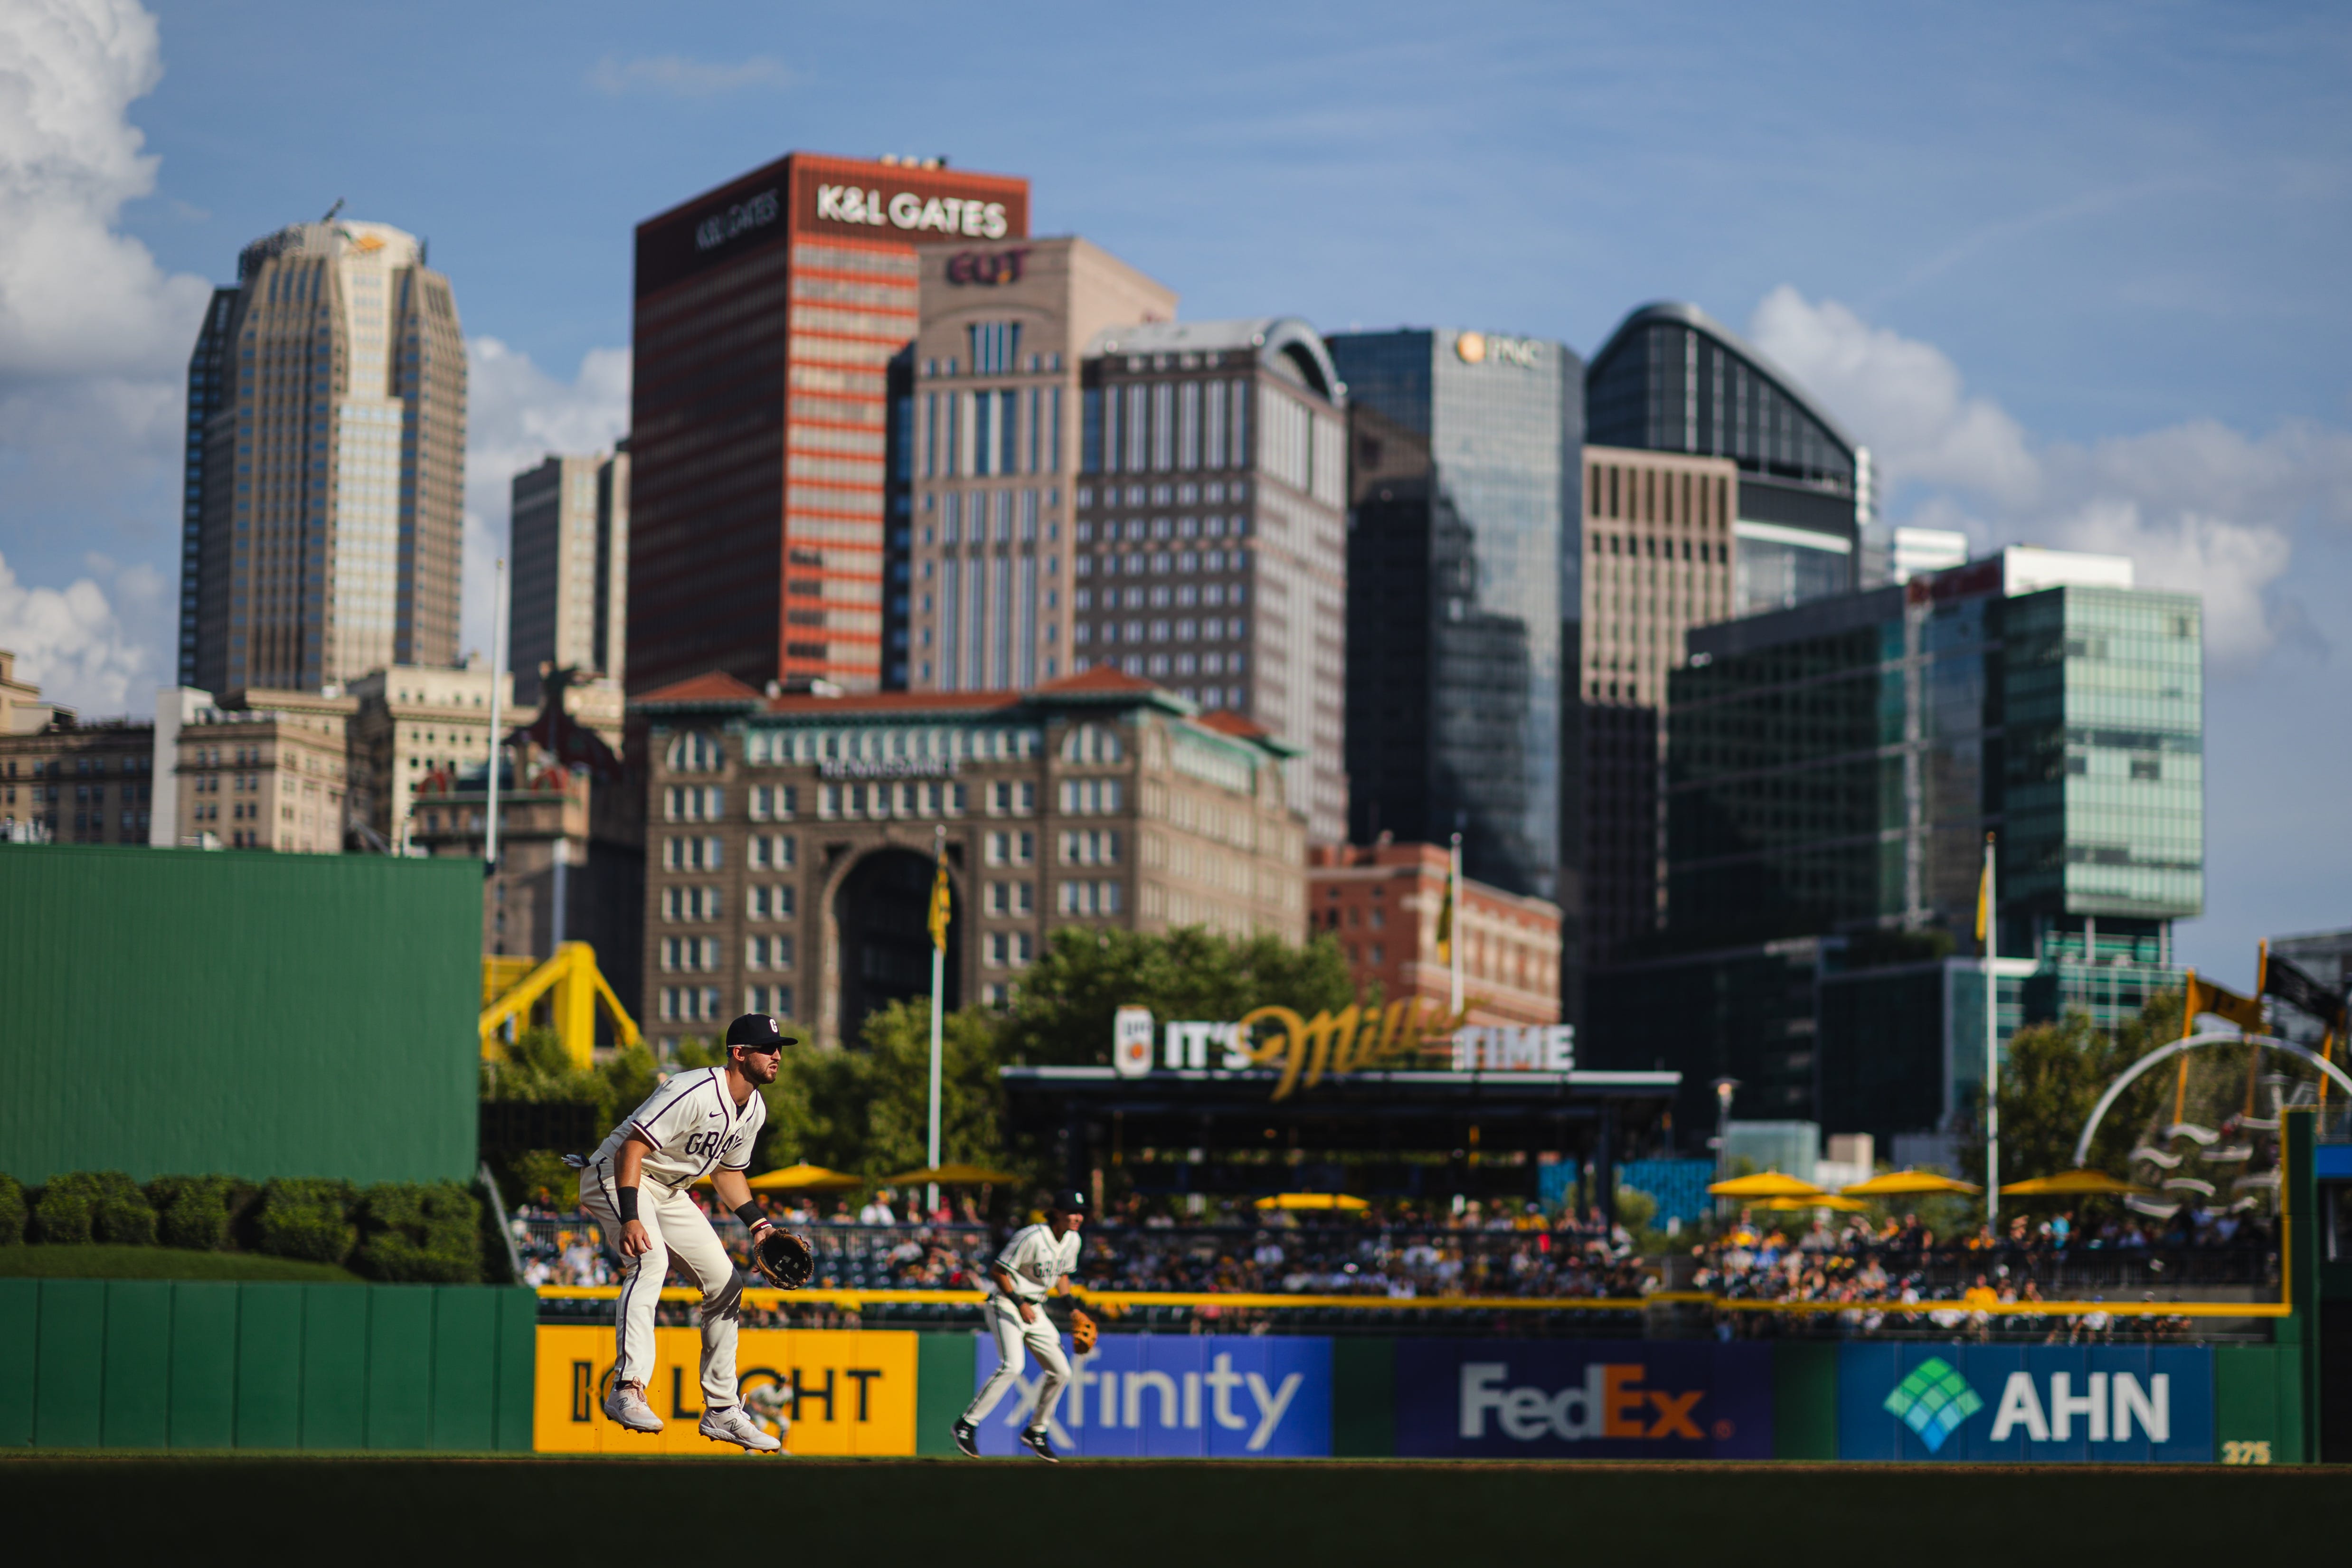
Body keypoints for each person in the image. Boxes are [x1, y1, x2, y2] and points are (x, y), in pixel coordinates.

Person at [576, 1013, 793, 1453]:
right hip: (617, 1175)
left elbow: (728, 1174)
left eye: (779, 1048)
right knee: (650, 1260)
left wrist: (760, 1225)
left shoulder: (754, 1109)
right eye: (768, 1048)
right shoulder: (691, 1089)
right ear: (739, 1053)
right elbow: (632, 1150)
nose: (777, 1056)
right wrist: (633, 1216)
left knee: (727, 1286)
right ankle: (627, 1388)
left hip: (671, 1193)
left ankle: (721, 1410)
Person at [953, 1191, 1088, 1462]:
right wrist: (1019, 1302)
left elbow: (1061, 1274)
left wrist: (1073, 1308)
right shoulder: (1032, 1237)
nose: (1078, 1217)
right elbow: (997, 1271)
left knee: (1062, 1372)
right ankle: (966, 1425)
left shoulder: (1074, 1239)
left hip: (1035, 1308)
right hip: (1006, 1302)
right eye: (1072, 1212)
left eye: (1080, 1213)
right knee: (1013, 1366)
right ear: (1057, 1214)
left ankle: (1036, 1431)